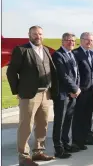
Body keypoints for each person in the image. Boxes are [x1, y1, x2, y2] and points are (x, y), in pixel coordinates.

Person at [6, 25, 58, 166]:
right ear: (29, 35)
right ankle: (23, 157)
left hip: (45, 93)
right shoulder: (22, 50)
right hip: (29, 95)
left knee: (42, 124)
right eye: (34, 34)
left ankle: (38, 152)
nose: (38, 36)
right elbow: (11, 72)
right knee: (26, 125)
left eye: (40, 34)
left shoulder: (46, 50)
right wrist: (18, 91)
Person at [51, 33, 79, 159]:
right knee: (59, 122)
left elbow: (75, 74)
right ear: (62, 41)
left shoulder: (71, 54)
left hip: (72, 94)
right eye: (68, 40)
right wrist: (74, 89)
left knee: (68, 120)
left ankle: (66, 143)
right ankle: (58, 149)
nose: (71, 43)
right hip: (62, 94)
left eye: (73, 41)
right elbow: (63, 75)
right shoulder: (58, 55)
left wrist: (76, 89)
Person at [71, 32, 93, 150]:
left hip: (91, 92)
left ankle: (86, 137)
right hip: (80, 92)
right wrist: (75, 89)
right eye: (87, 40)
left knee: (88, 116)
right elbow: (73, 74)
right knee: (78, 117)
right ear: (81, 40)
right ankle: (76, 141)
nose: (89, 42)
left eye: (91, 40)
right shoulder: (75, 54)